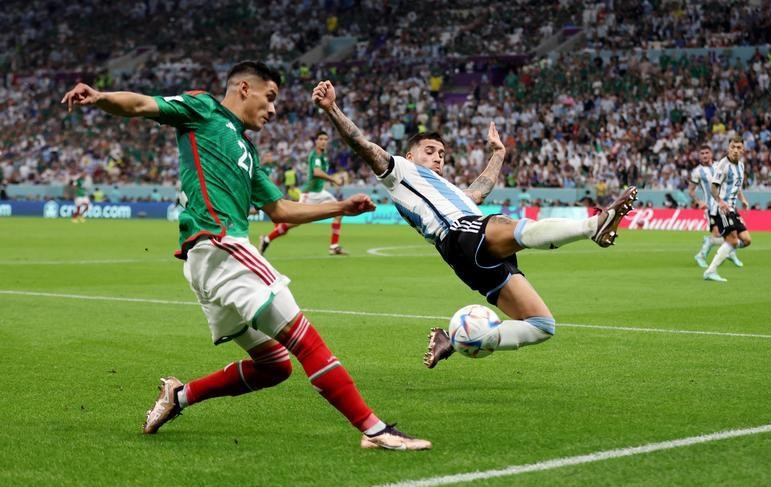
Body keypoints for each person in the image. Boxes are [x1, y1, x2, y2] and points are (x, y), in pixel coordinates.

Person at [61, 61, 430, 450]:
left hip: (208, 262)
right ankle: (375, 430)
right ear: (242, 88)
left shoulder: (248, 153)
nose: (273, 109)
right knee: (304, 339)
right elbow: (140, 105)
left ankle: (179, 395)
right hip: (222, 246)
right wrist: (101, 98)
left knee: (274, 367)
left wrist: (339, 208)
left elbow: (281, 211)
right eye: (269, 98)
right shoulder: (203, 109)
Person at [312, 80, 637, 368]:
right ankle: (593, 226)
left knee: (541, 325)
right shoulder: (401, 172)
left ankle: (451, 340)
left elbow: (480, 189)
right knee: (511, 226)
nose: (438, 157)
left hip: (468, 251)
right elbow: (364, 146)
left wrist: (498, 153)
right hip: (460, 234)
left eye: (442, 153)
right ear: (410, 156)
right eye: (430, 151)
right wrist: (333, 108)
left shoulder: (446, 189)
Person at [259, 131, 348, 255]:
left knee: (339, 211)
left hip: (320, 192)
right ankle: (267, 239)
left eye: (325, 139)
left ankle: (333, 246)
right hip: (309, 194)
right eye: (321, 139)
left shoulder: (324, 155)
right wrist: (334, 179)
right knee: (293, 223)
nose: (323, 141)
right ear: (316, 141)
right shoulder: (316, 155)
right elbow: (317, 173)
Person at [703, 136, 752, 282]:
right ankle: (710, 271)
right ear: (728, 148)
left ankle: (723, 246)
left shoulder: (741, 166)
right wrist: (720, 201)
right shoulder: (722, 165)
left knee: (747, 240)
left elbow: (737, 185)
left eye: (738, 148)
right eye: (733, 147)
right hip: (721, 209)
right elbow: (713, 188)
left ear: (743, 150)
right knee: (733, 241)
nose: (735, 150)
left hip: (733, 208)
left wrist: (742, 199)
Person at [689, 145, 741, 268]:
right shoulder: (697, 172)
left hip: (726, 205)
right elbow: (691, 191)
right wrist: (699, 202)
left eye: (707, 152)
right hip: (711, 208)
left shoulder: (720, 165)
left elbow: (731, 181)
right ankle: (704, 254)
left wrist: (740, 198)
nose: (705, 155)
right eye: (702, 153)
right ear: (699, 156)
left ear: (711, 154)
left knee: (732, 232)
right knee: (717, 234)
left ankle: (727, 251)